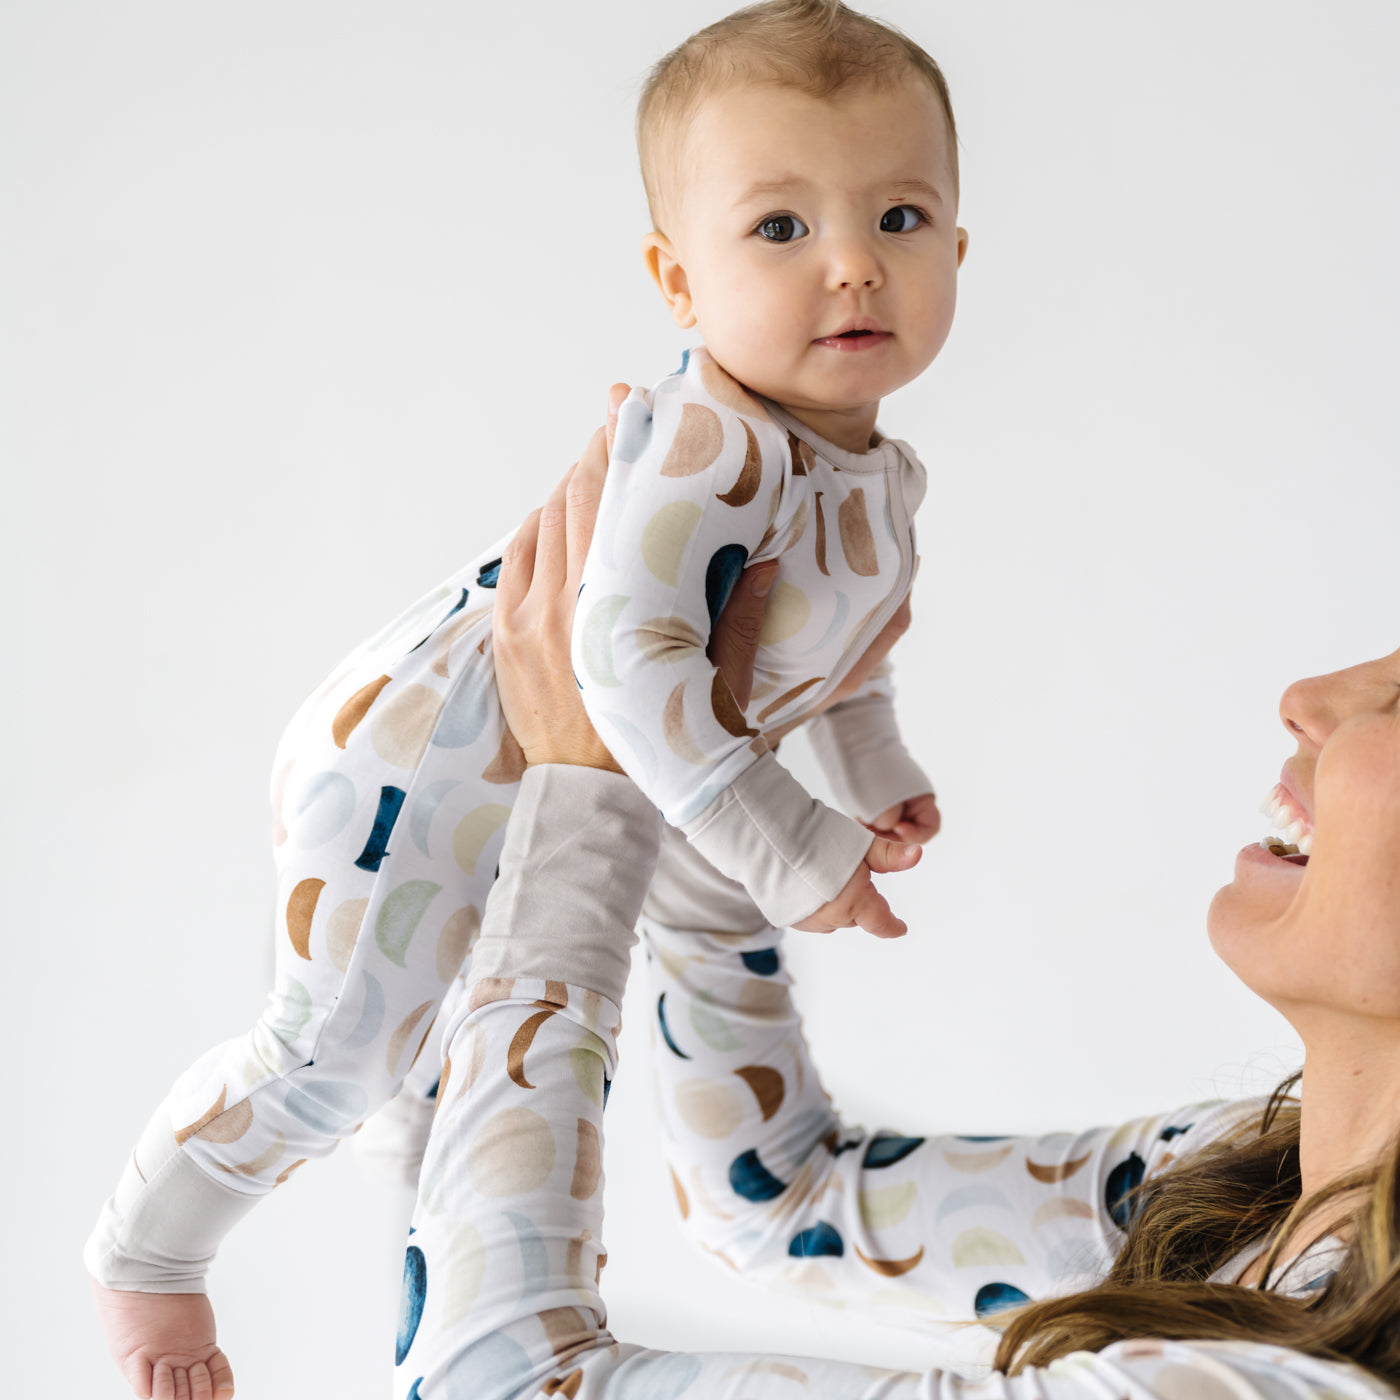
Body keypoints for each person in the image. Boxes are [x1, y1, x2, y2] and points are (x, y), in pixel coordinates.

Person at [86, 3, 965, 1394]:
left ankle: (422, 1144)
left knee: (438, 1052)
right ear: (678, 282)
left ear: (961, 250)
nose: (855, 264)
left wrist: (873, 767)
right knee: (333, 1055)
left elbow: (849, 650)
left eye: (902, 217)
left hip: (537, 783)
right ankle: (150, 1266)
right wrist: (795, 848)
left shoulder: (881, 474)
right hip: (415, 760)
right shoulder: (713, 449)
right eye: (782, 229)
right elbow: (626, 673)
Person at [392, 419, 1400, 1397]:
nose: (1308, 694)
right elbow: (782, 1198)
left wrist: (584, 803)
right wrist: (712, 800)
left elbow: (491, 1378)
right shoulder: (1249, 1186)